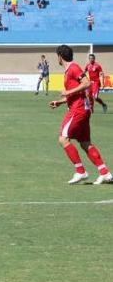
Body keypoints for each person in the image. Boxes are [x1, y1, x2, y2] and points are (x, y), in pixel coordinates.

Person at [49, 45, 112, 184]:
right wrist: (60, 102)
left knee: (63, 138)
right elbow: (77, 92)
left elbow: (86, 83)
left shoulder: (73, 68)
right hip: (82, 108)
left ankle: (80, 171)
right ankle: (105, 173)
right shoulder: (69, 71)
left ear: (60, 56)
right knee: (85, 143)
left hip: (78, 109)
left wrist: (68, 92)